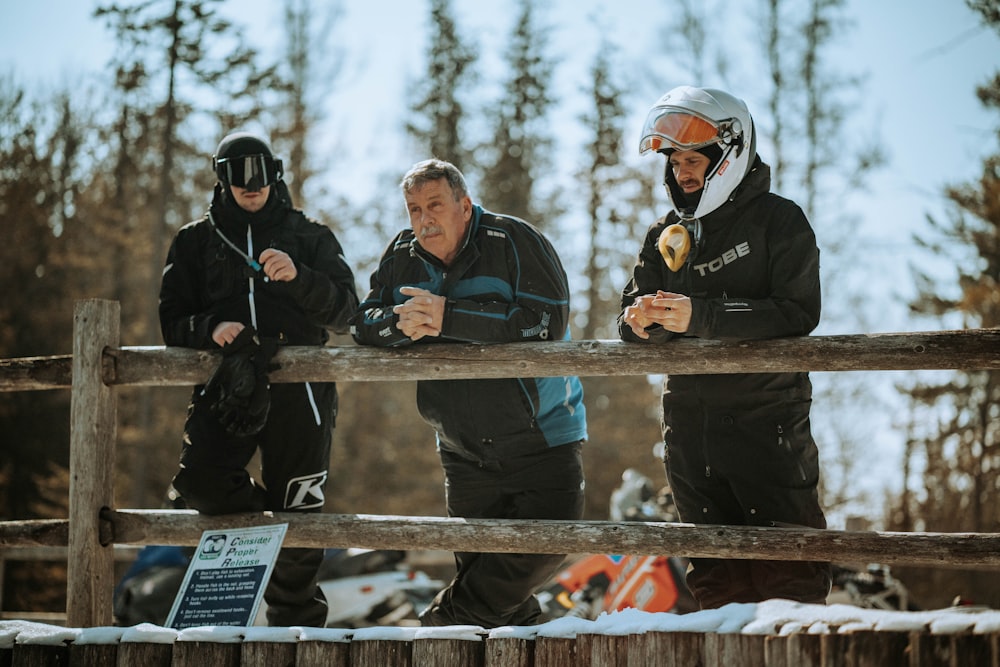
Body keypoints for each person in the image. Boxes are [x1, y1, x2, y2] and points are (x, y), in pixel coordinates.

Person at [350, 158, 588, 628]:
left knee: (531, 558)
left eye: (434, 205)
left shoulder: (515, 240)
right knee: (499, 600)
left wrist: (448, 318)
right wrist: (398, 324)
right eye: (414, 209)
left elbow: (546, 324)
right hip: (461, 452)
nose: (424, 219)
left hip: (543, 442)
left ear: (464, 205)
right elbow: (362, 323)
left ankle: (432, 630)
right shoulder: (401, 253)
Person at [619, 85, 831, 609]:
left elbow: (797, 312)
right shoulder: (663, 234)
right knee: (713, 584)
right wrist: (644, 320)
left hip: (767, 423)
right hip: (690, 431)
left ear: (729, 156)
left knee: (790, 577)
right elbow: (627, 321)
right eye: (673, 162)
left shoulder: (780, 220)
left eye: (693, 159)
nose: (681, 172)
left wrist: (701, 315)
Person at [159, 131, 359, 626]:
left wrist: (300, 277)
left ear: (276, 172)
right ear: (220, 177)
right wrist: (209, 328)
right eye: (238, 174)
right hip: (228, 386)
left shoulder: (310, 235)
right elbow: (172, 321)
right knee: (201, 485)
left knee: (301, 512)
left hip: (303, 391)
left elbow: (347, 312)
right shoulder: (193, 241)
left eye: (261, 173)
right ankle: (262, 532)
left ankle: (296, 634)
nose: (252, 185)